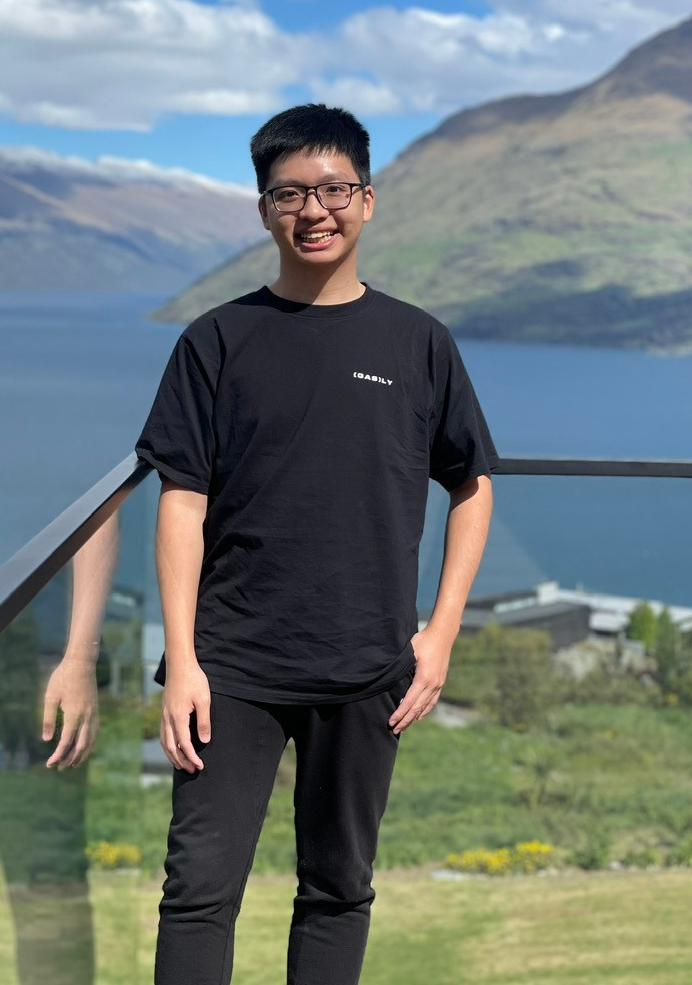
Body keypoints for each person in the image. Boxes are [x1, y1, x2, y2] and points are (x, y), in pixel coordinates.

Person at [134, 104, 498, 985]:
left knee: (339, 889)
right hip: (231, 669)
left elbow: (472, 483)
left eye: (333, 190)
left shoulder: (418, 341)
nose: (313, 211)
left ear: (367, 200)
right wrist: (182, 661)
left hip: (369, 665)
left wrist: (441, 634)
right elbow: (181, 501)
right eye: (290, 193)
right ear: (264, 210)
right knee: (197, 893)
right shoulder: (215, 340)